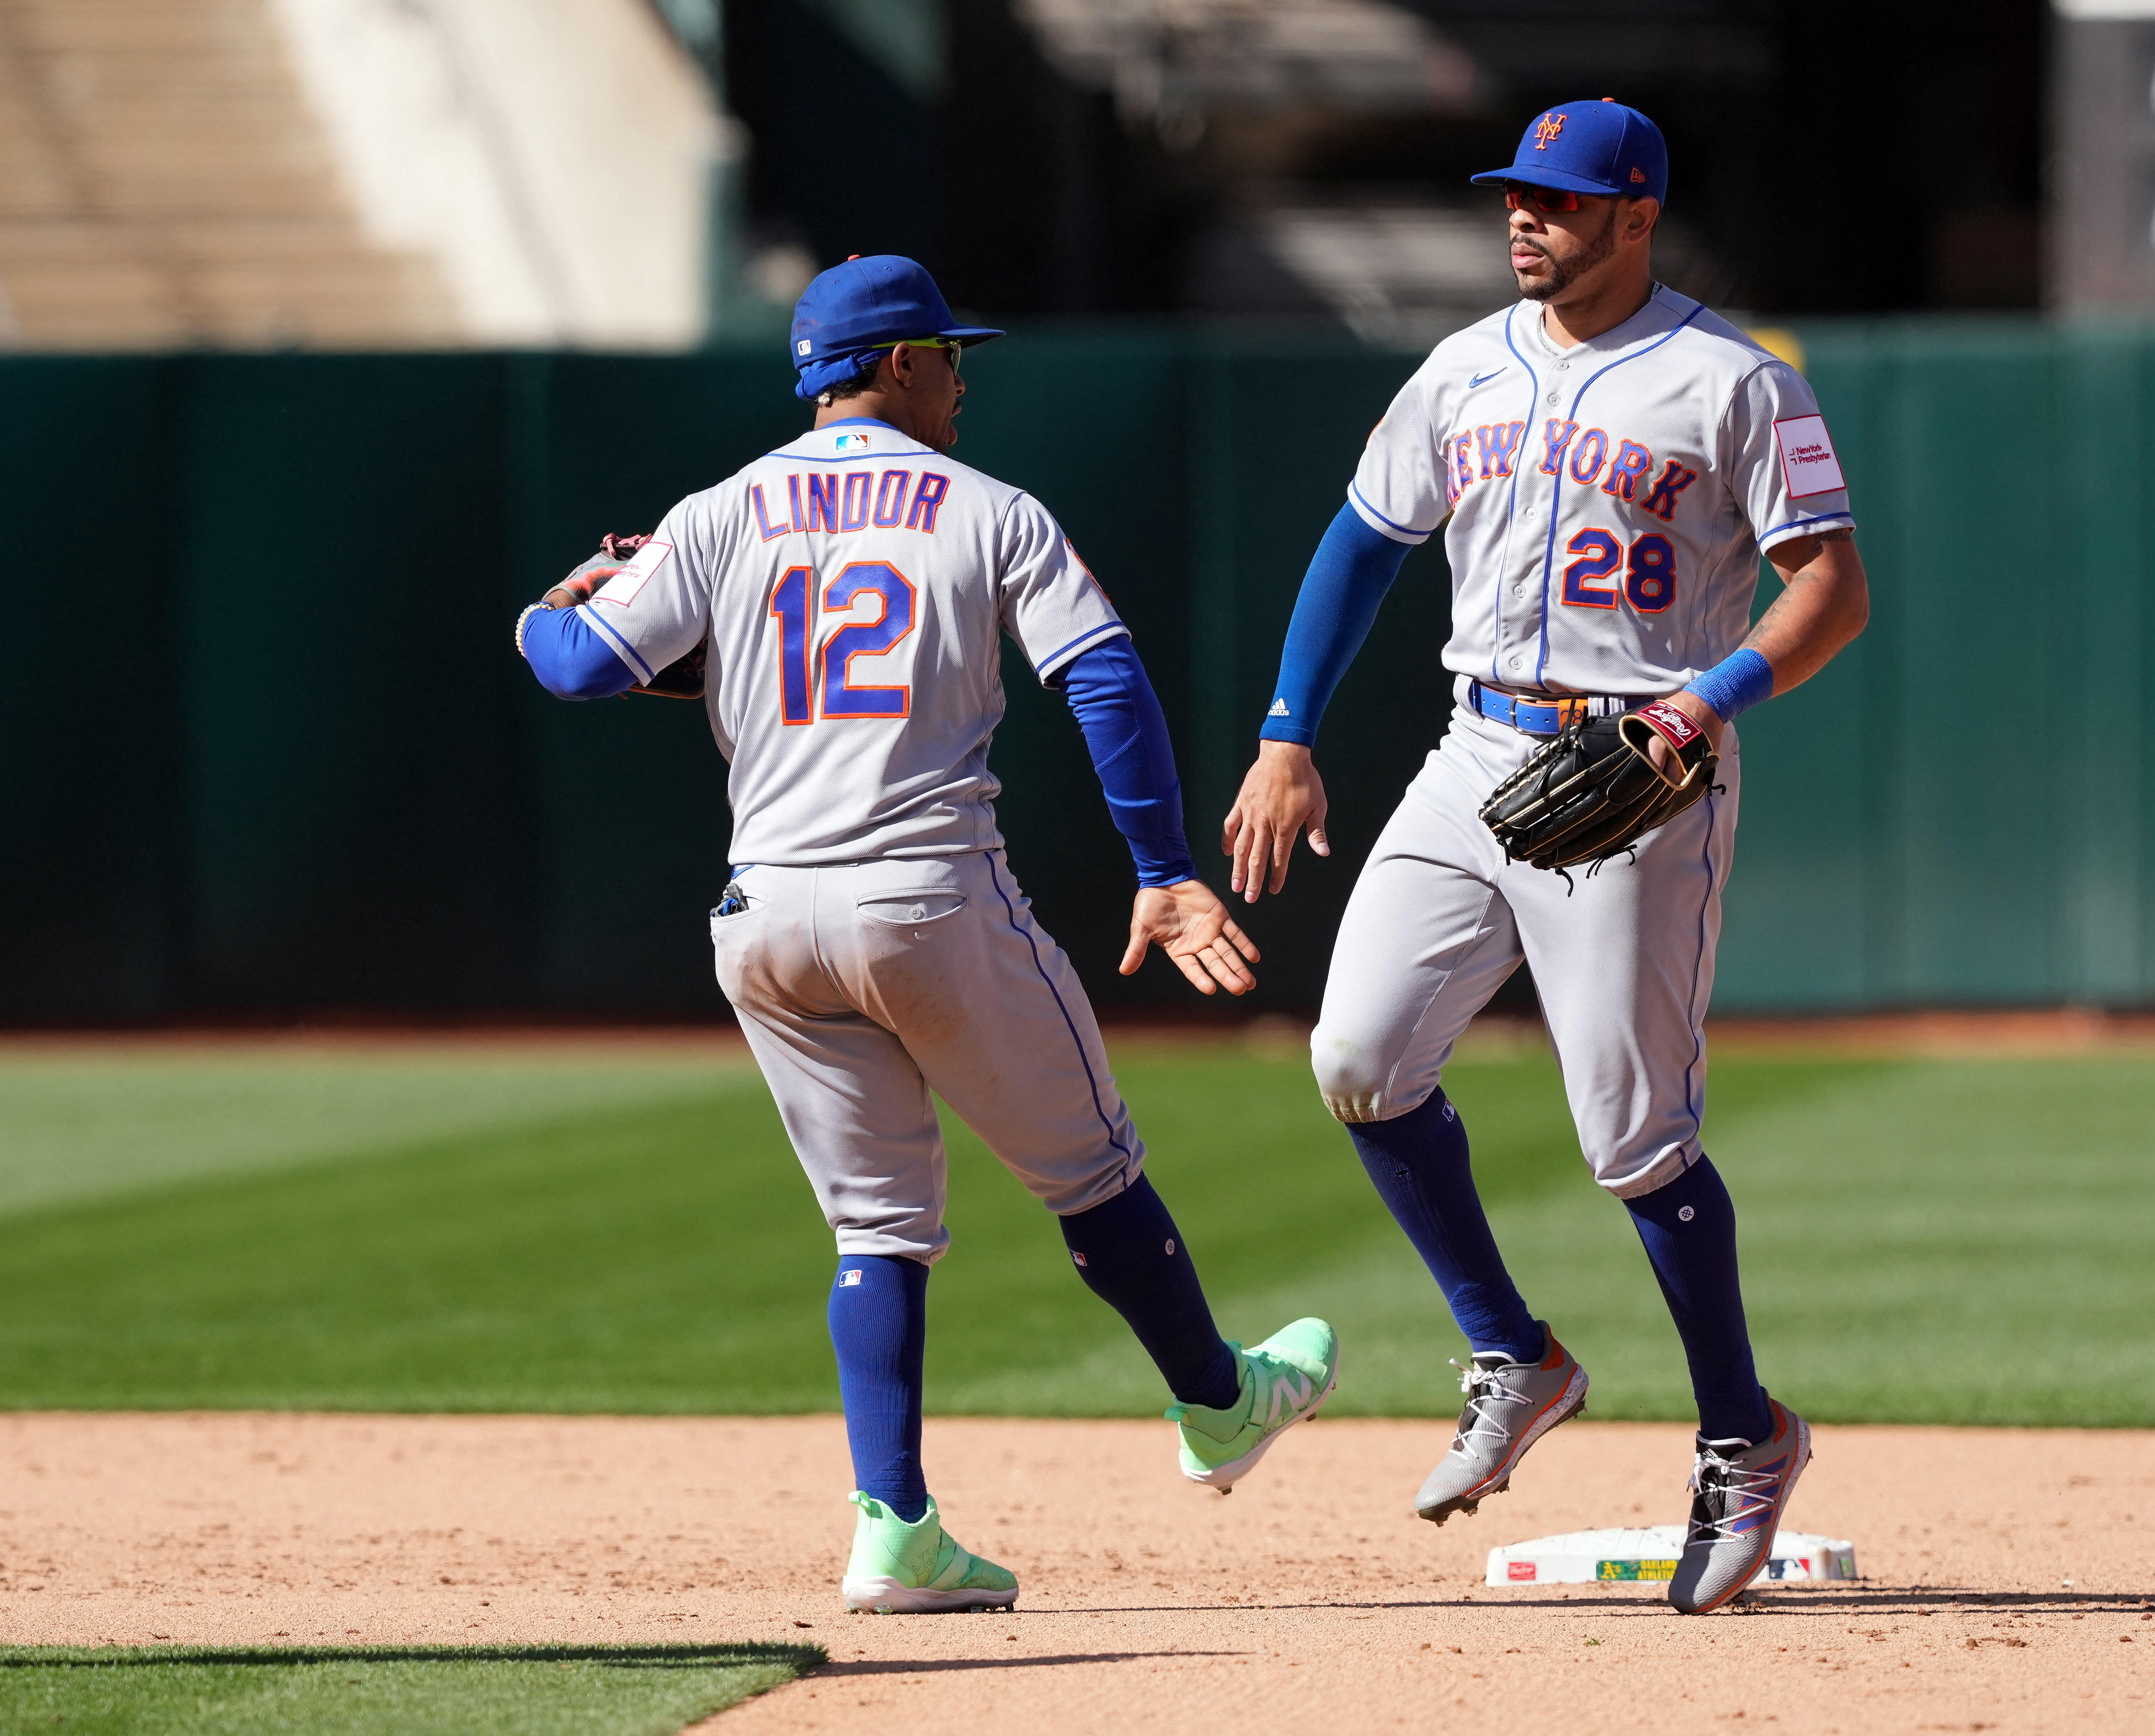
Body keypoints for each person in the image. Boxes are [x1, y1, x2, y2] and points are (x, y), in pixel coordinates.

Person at [516, 255, 1338, 1614]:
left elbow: (580, 667)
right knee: (1092, 1167)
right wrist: (1164, 869)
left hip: (765, 915)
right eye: (951, 356)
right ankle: (1218, 1401)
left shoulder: (718, 513)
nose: (963, 378)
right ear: (897, 364)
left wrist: (547, 607)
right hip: (928, 894)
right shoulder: (990, 508)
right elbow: (1106, 673)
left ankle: (894, 1525)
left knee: (877, 1222)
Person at [1220, 100, 1869, 1615]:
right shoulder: (1463, 366)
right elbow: (1362, 540)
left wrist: (1710, 699)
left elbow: (1831, 587)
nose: (1525, 220)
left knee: (1630, 1134)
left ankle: (1744, 1437)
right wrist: (1284, 728)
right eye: (1515, 196)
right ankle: (1516, 1351)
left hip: (1641, 765)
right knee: (1360, 1054)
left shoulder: (1736, 383)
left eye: (1560, 203)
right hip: (1474, 747)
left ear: (1635, 215)